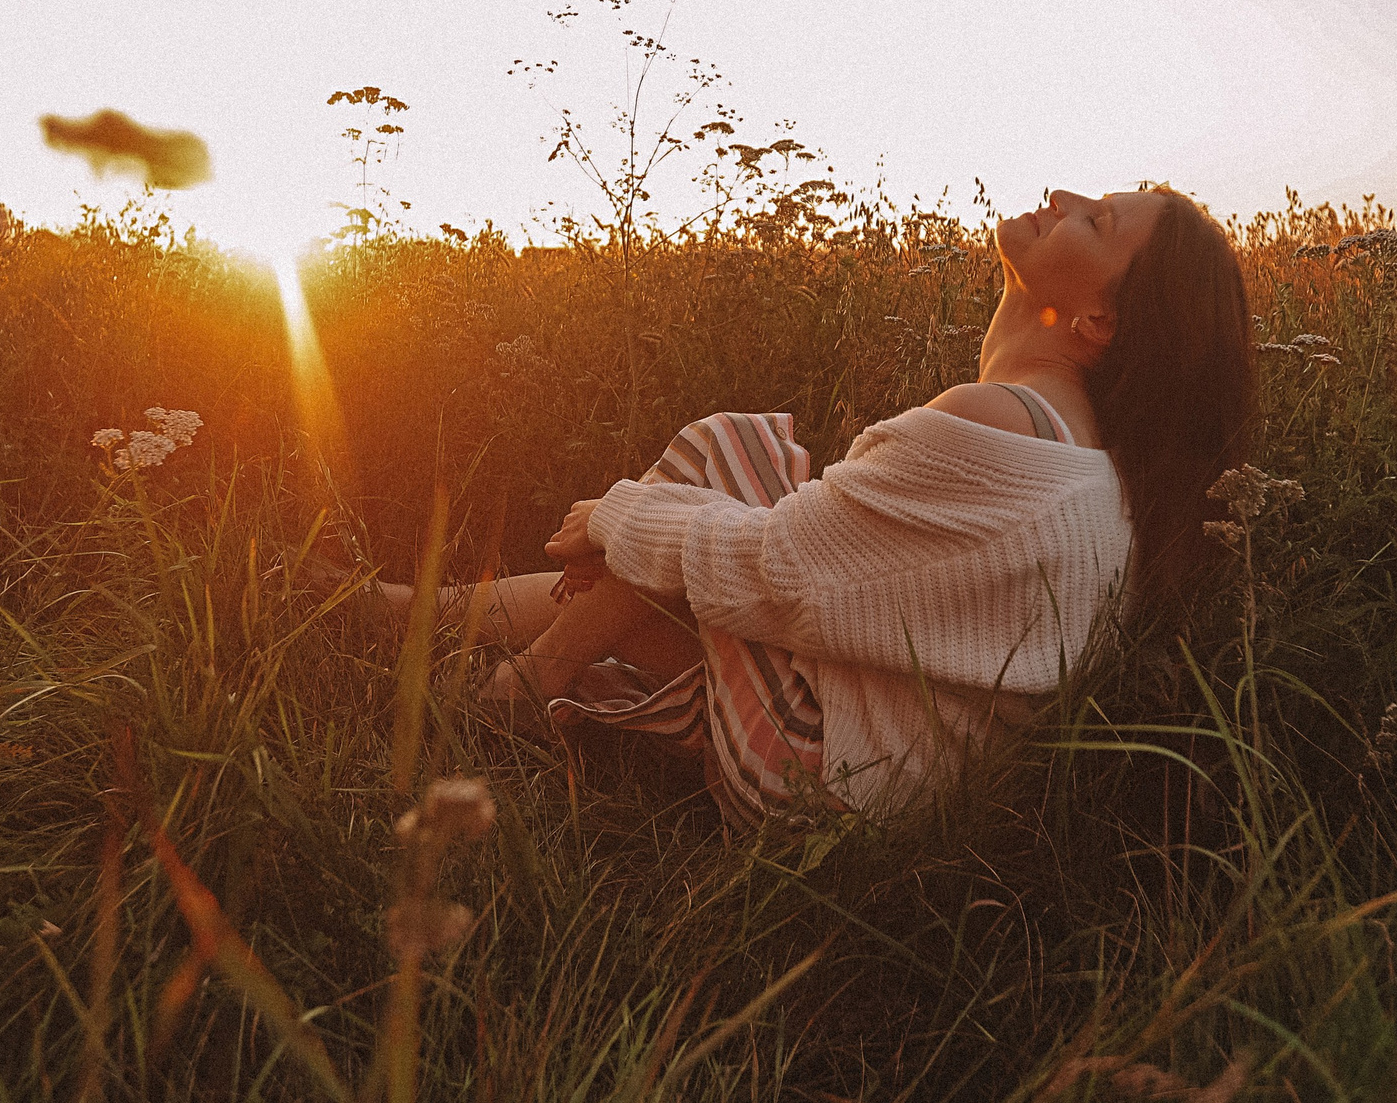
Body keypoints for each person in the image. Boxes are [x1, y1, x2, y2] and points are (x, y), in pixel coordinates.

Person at [424, 187, 1256, 822]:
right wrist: (638, 541)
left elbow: (772, 566)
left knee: (728, 452)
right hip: (896, 765)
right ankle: (408, 614)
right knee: (682, 549)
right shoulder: (1081, 456)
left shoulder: (997, 424)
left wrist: (615, 514)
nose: (1068, 198)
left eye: (1101, 219)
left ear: (1098, 318)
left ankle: (518, 692)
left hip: (820, 772)